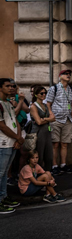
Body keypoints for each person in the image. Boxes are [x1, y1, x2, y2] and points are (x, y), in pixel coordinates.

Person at [0, 78, 23, 214]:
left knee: (4, 174)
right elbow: (2, 126)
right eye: (8, 86)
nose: (11, 88)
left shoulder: (8, 103)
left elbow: (15, 121)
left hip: (12, 143)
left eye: (13, 86)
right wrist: (17, 138)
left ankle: (3, 197)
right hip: (2, 144)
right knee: (0, 173)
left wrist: (19, 138)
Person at [46, 69, 72, 175]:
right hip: (56, 119)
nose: (68, 75)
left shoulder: (71, 89)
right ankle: (54, 165)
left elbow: (71, 103)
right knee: (55, 144)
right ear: (60, 76)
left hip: (67, 119)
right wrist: (50, 114)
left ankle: (63, 164)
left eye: (69, 74)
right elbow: (48, 103)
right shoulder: (54, 88)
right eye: (66, 74)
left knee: (64, 143)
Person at [29, 86, 54, 171]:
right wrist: (47, 119)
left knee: (49, 157)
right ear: (36, 95)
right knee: (39, 156)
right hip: (38, 133)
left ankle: (48, 174)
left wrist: (44, 119)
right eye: (42, 93)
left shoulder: (46, 105)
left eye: (45, 93)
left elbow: (53, 118)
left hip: (47, 132)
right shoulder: (33, 106)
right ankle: (38, 175)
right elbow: (39, 122)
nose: (44, 95)